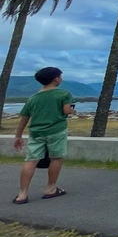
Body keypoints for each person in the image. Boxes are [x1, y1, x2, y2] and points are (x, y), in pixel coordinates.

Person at [12, 67, 75, 203]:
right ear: (56, 79)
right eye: (60, 76)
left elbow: (24, 117)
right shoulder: (63, 94)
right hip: (56, 131)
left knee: (31, 160)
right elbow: (66, 111)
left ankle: (22, 194)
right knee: (56, 157)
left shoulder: (33, 98)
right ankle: (51, 188)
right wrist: (72, 111)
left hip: (36, 132)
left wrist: (18, 136)